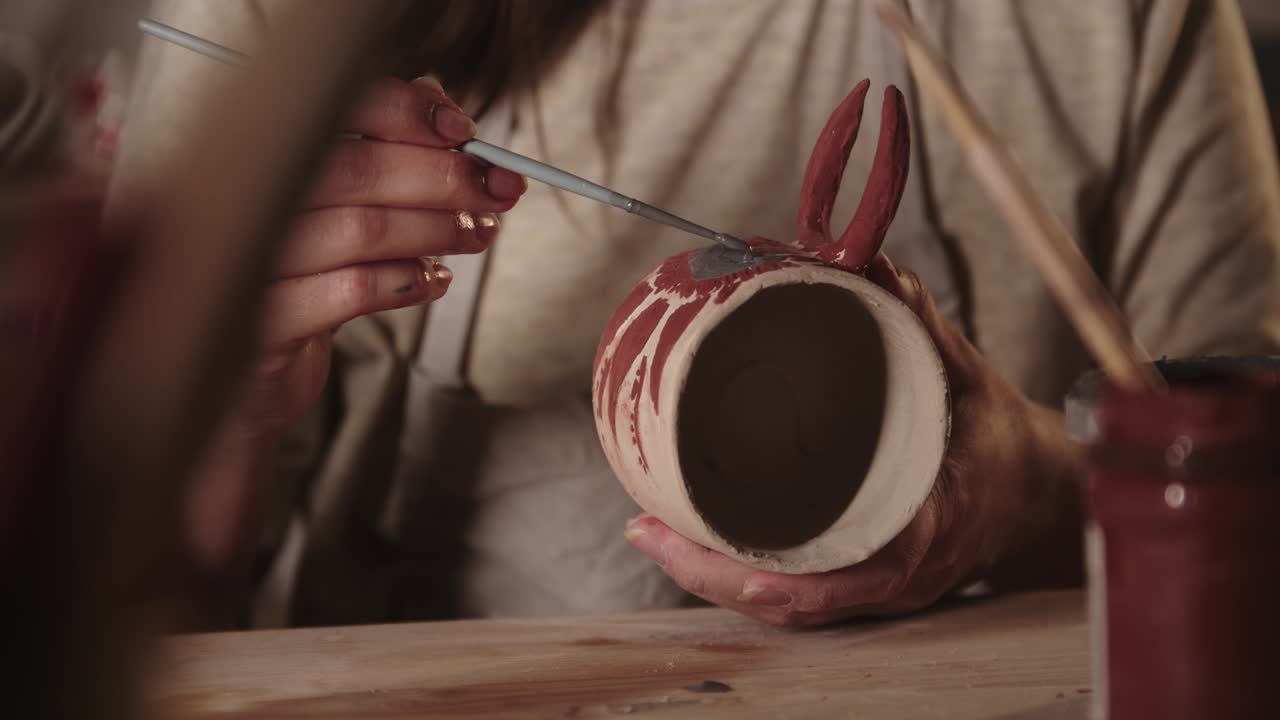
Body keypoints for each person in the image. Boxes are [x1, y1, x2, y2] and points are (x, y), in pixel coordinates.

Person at [110, 0, 1280, 628]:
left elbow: (1256, 527)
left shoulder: (1113, 19)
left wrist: (1025, 488)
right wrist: (223, 413)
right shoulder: (283, 23)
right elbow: (126, 625)